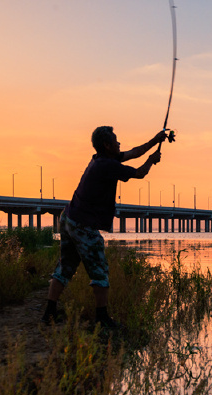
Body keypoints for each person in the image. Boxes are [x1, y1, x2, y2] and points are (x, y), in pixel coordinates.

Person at [41, 125, 169, 327]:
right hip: (82, 223)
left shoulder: (102, 160)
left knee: (65, 267)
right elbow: (139, 173)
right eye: (116, 140)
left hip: (68, 217)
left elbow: (135, 152)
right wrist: (151, 161)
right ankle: (102, 318)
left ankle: (48, 313)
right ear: (107, 145)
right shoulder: (107, 166)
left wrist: (156, 139)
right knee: (100, 271)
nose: (119, 143)